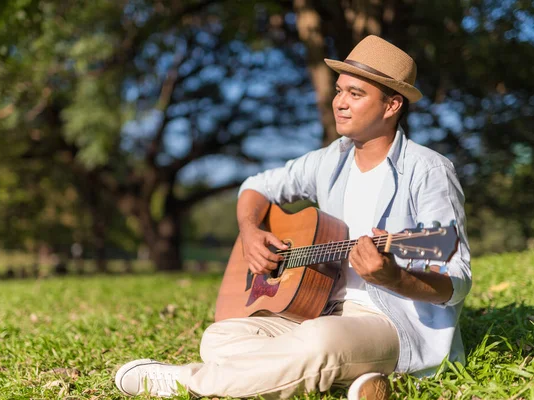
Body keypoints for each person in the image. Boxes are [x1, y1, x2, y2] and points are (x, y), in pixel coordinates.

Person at [114, 35, 472, 400]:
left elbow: (456, 282)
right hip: (320, 311)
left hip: (392, 323)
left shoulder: (428, 170)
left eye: (355, 94)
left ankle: (184, 383)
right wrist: (251, 230)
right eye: (339, 91)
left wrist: (393, 276)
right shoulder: (330, 160)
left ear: (392, 105)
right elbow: (256, 187)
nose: (340, 103)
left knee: (320, 342)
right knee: (221, 336)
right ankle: (360, 380)